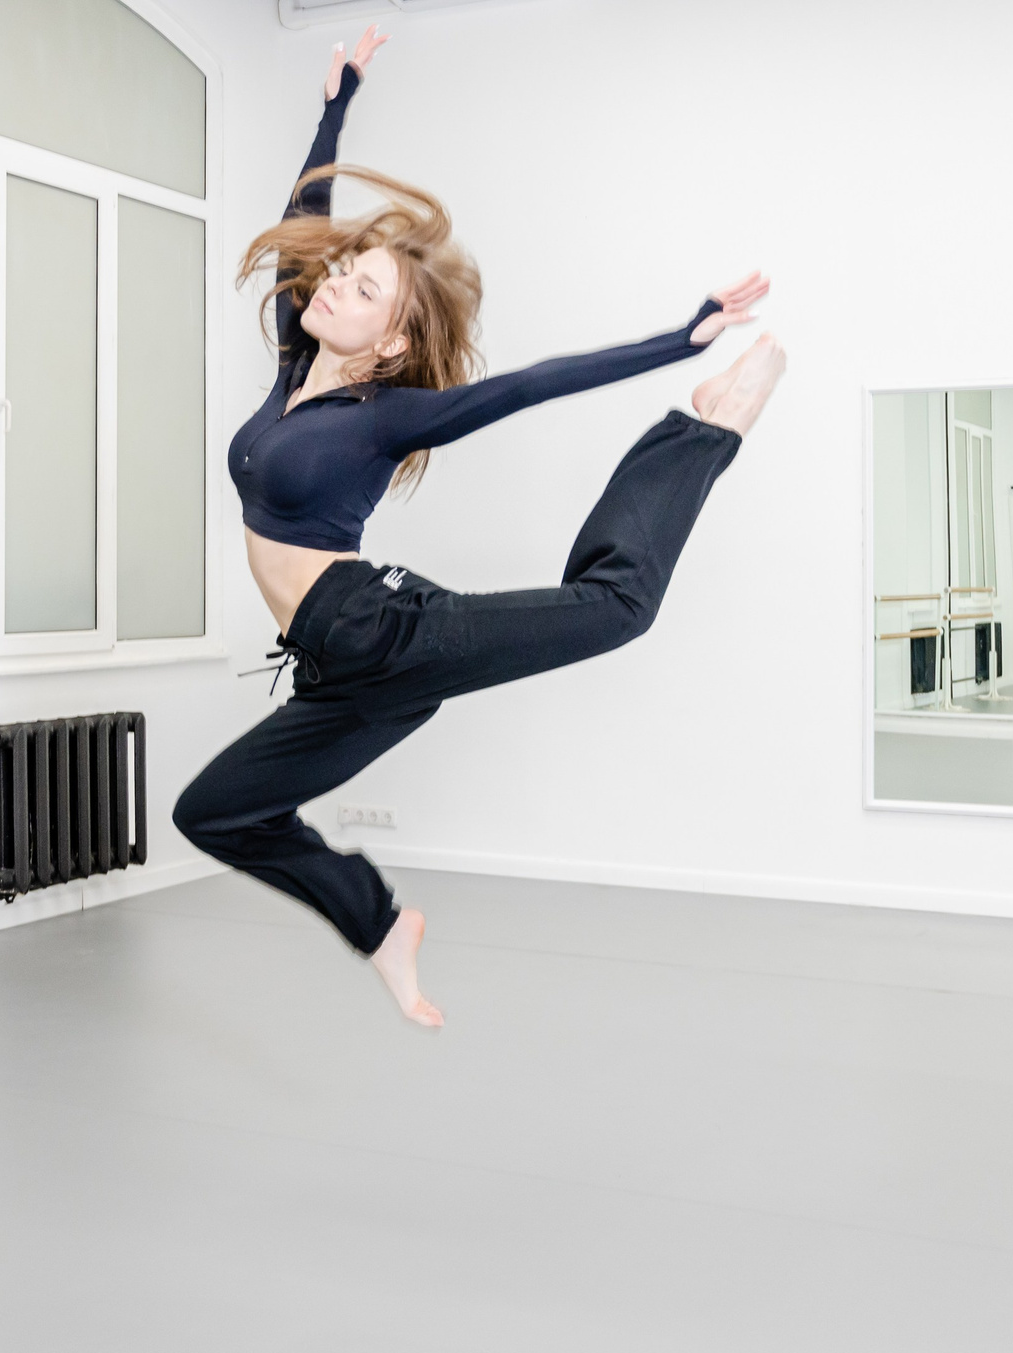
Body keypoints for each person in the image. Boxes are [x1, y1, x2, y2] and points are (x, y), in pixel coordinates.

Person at [173, 28, 783, 1026]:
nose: (335, 285)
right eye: (342, 274)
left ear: (395, 341)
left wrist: (677, 340)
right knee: (212, 811)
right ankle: (379, 924)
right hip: (340, 674)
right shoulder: (296, 361)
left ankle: (697, 429)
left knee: (619, 606)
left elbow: (529, 385)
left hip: (388, 632)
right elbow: (303, 221)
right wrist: (334, 103)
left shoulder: (387, 414)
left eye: (364, 289)